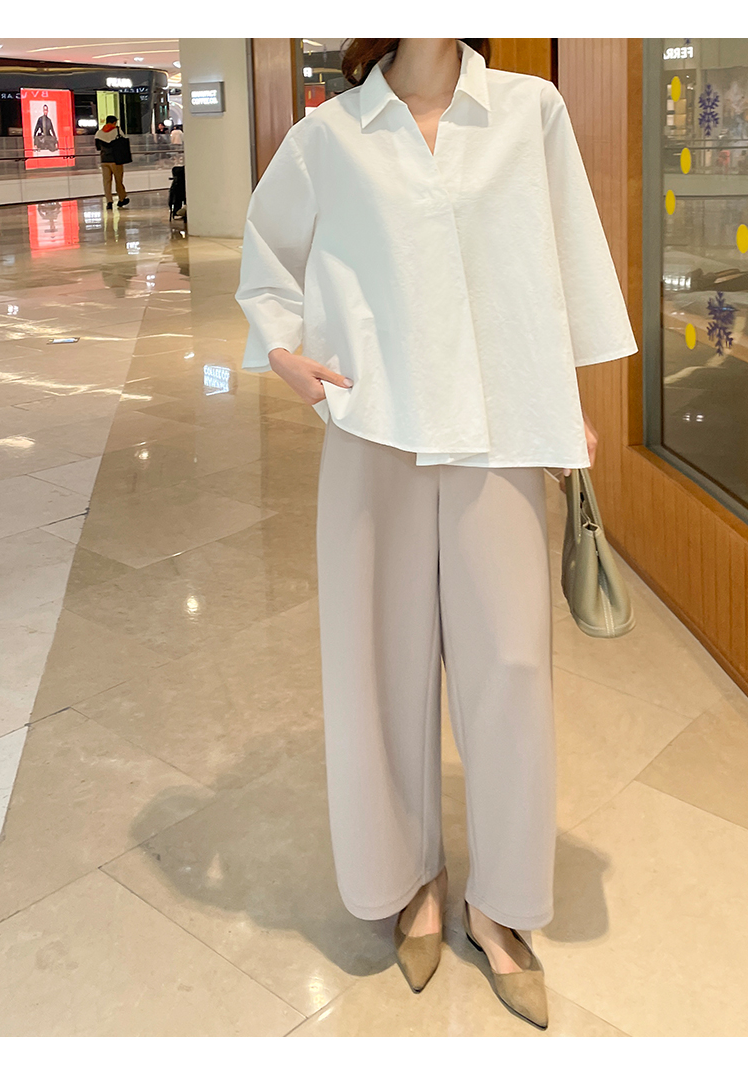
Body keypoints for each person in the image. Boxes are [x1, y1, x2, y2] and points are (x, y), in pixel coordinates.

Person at [236, 38, 636, 1031]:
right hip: (373, 428)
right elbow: (268, 257)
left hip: (500, 428)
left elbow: (558, 263)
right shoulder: (331, 135)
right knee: (378, 663)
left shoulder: (529, 111)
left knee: (513, 667)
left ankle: (502, 902)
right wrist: (284, 351)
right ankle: (409, 877)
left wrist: (563, 404)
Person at [95, 115, 130, 210]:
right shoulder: (117, 131)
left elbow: (98, 147)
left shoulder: (99, 133)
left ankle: (109, 201)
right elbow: (123, 142)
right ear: (114, 122)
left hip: (104, 160)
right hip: (116, 160)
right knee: (118, 180)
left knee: (106, 182)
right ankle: (122, 198)